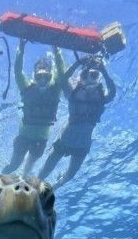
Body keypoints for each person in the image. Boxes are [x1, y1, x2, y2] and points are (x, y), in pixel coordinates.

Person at [37, 56, 116, 188]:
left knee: (70, 175)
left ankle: (54, 187)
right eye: (88, 75)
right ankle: (33, 188)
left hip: (82, 145)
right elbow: (63, 80)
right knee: (45, 171)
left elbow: (113, 93)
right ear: (82, 77)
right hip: (66, 140)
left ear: (99, 78)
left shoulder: (101, 97)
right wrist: (77, 63)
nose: (91, 78)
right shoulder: (73, 93)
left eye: (95, 75)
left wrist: (104, 71)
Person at [2, 38, 66, 175]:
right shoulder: (26, 88)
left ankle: (22, 189)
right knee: (14, 165)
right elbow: (18, 71)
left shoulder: (55, 90)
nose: (42, 81)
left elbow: (61, 73)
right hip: (24, 136)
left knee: (27, 169)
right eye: (39, 77)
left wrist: (57, 51)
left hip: (41, 140)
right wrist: (21, 49)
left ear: (51, 77)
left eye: (46, 77)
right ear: (34, 76)